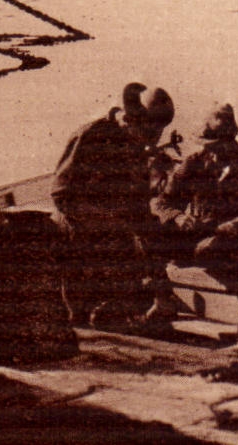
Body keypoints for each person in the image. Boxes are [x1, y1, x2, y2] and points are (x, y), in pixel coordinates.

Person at [51, 82, 175, 329]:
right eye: (149, 133)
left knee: (146, 238)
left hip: (110, 226)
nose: (151, 142)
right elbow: (61, 194)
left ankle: (126, 311)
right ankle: (88, 315)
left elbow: (139, 208)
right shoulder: (92, 135)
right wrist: (110, 221)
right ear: (131, 120)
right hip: (75, 222)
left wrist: (161, 282)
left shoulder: (135, 146)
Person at [155, 103, 238, 336]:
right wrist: (179, 217)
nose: (210, 151)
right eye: (207, 145)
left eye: (216, 146)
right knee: (150, 229)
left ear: (230, 140)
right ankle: (161, 301)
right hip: (196, 237)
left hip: (235, 239)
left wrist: (224, 231)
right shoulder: (195, 162)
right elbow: (163, 202)